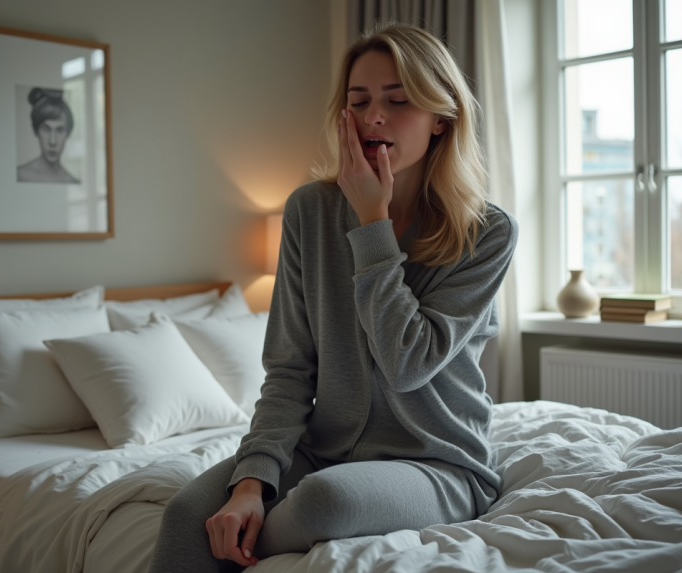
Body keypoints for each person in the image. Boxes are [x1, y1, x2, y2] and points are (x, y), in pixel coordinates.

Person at [148, 22, 517, 573]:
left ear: (442, 118)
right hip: (320, 449)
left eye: (398, 100)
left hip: (436, 462)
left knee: (327, 501)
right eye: (358, 100)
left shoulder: (485, 231)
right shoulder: (308, 212)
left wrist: (372, 224)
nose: (373, 117)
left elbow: (407, 362)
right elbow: (291, 369)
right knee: (187, 514)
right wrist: (253, 482)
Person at [16, 87, 80, 184]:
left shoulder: (73, 182)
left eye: (59, 130)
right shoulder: (19, 175)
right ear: (36, 131)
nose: (52, 141)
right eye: (46, 129)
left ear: (68, 134)